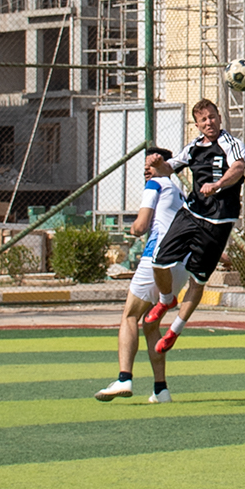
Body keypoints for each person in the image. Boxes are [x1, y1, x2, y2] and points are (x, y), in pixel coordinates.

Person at [143, 99, 245, 356]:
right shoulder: (192, 148)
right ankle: (166, 300)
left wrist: (218, 184)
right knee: (159, 262)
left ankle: (174, 330)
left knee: (198, 280)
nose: (209, 122)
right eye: (203, 119)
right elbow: (169, 168)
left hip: (218, 221)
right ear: (197, 124)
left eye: (212, 117)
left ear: (219, 118)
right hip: (191, 213)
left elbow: (238, 167)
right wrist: (158, 164)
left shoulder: (231, 144)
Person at [94, 148, 186, 404]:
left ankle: (124, 378)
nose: (147, 169)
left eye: (152, 164)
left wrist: (133, 230)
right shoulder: (181, 194)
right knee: (151, 324)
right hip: (181, 266)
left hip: (157, 260)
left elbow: (141, 225)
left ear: (165, 166)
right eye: (145, 165)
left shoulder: (155, 184)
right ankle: (161, 389)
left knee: (130, 316)